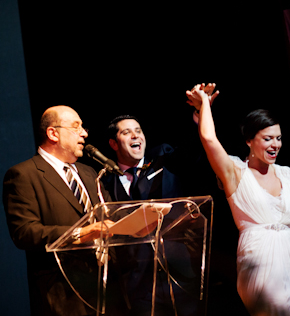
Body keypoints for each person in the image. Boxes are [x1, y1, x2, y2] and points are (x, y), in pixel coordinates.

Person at [186, 84, 290, 316]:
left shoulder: (289, 175)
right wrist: (204, 110)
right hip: (259, 262)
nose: (276, 145)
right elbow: (209, 140)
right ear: (249, 141)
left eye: (279, 139)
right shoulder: (235, 172)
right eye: (268, 138)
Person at [103, 89, 217, 316]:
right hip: (137, 285)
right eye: (127, 133)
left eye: (139, 131)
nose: (136, 136)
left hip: (179, 273)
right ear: (114, 144)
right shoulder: (105, 180)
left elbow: (194, 151)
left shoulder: (163, 157)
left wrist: (200, 112)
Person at [2, 105, 125, 316]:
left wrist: (142, 218)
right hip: (64, 294)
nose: (84, 133)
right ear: (53, 133)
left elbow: (111, 215)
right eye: (76, 126)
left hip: (109, 289)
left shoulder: (89, 172)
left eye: (83, 127)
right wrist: (80, 232)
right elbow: (24, 232)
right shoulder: (24, 174)